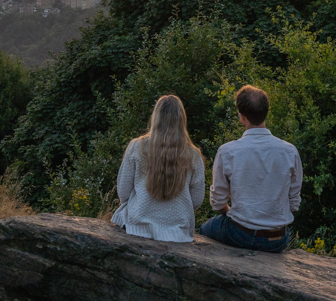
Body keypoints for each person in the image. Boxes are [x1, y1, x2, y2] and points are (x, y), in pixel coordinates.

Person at [199, 85, 302, 252]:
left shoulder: (228, 151)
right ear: (266, 112)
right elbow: (294, 203)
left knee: (204, 229)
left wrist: (232, 211)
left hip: (240, 233)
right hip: (278, 238)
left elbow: (218, 203)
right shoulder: (290, 151)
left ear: (242, 116)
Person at [111, 94, 207, 242]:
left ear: (155, 117)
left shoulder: (136, 147)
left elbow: (123, 192)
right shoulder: (194, 155)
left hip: (138, 226)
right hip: (178, 231)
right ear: (182, 119)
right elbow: (196, 200)